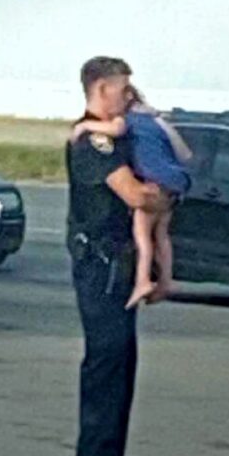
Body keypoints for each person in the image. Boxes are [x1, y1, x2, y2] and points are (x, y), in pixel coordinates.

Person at [66, 56, 169, 456]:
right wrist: (153, 196)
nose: (128, 95)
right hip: (100, 262)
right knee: (107, 356)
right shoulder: (94, 143)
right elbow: (136, 195)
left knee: (123, 357)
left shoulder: (121, 135)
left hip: (120, 260)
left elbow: (154, 190)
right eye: (122, 88)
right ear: (101, 89)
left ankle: (111, 453)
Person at [71, 85, 192, 309]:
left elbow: (115, 131)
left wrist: (85, 125)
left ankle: (143, 280)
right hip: (176, 181)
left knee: (142, 233)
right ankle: (166, 280)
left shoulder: (126, 118)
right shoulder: (157, 119)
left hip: (153, 181)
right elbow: (185, 153)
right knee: (162, 235)